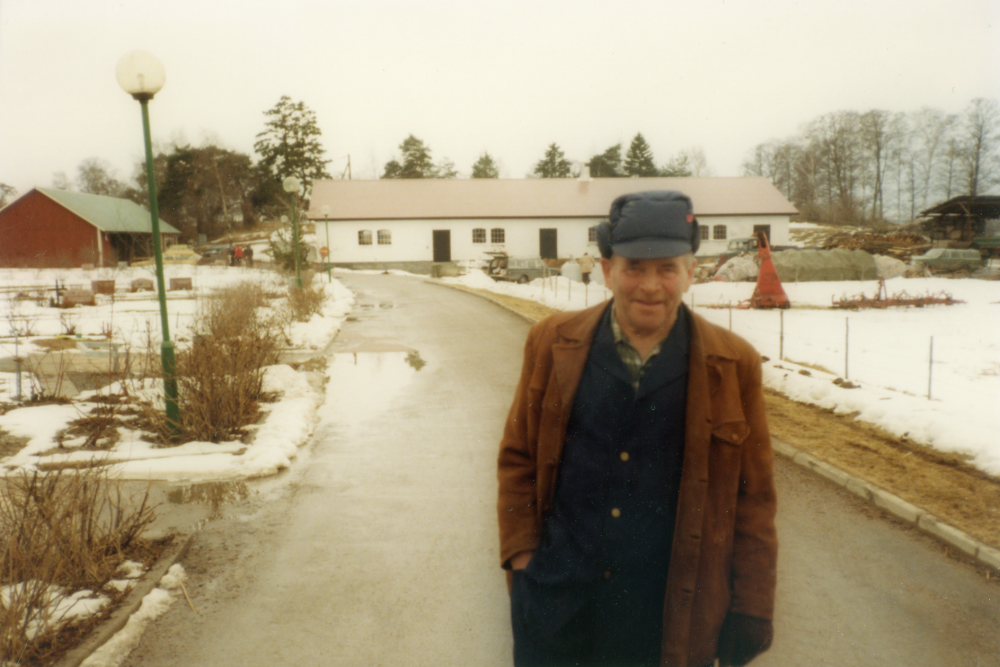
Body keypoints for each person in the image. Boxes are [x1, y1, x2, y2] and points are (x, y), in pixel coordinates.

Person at [497, 191, 777, 667]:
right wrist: (524, 561)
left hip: (668, 618)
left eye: (667, 268)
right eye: (634, 268)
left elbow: (754, 501)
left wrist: (752, 607)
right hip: (557, 611)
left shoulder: (733, 364)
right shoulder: (551, 343)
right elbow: (518, 458)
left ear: (690, 273)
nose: (650, 285)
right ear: (607, 270)